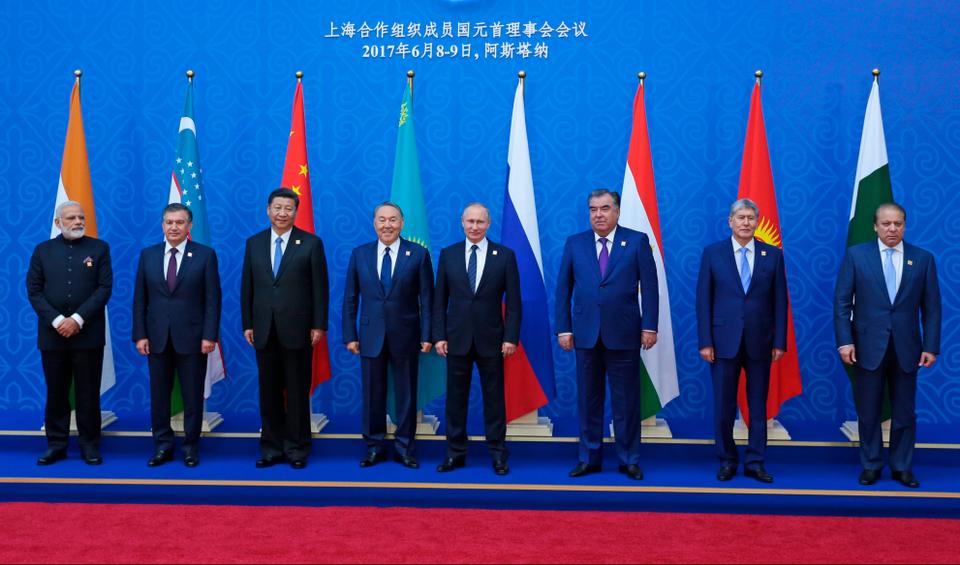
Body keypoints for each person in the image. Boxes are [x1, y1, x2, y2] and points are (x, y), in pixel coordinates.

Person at [834, 202, 941, 489]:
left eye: (898, 224)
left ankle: (902, 467)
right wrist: (845, 341)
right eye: (886, 224)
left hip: (908, 348)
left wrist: (930, 346)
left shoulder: (923, 259)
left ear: (905, 225)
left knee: (905, 411)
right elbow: (842, 303)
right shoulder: (856, 256)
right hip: (867, 346)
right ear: (875, 225)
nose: (892, 229)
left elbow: (932, 308)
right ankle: (871, 465)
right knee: (868, 410)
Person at [555, 189, 658, 481]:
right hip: (585, 335)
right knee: (588, 400)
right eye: (593, 209)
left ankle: (629, 459)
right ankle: (589, 457)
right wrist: (564, 328)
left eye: (604, 208)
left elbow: (650, 288)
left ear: (617, 211)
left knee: (626, 401)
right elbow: (563, 289)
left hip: (624, 334)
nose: (598, 214)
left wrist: (650, 326)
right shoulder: (575, 243)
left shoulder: (636, 241)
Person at [696, 198, 787, 484]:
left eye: (751, 218)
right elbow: (703, 301)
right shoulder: (713, 254)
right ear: (730, 222)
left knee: (757, 406)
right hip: (722, 342)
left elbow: (780, 302)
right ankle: (726, 459)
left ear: (757, 222)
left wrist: (780, 342)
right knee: (724, 406)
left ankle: (755, 461)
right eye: (741, 217)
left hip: (761, 341)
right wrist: (705, 341)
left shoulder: (772, 255)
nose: (746, 222)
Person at [241, 187, 329, 470]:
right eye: (277, 207)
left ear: (295, 211)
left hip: (299, 330)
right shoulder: (253, 243)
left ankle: (297, 448)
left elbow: (320, 289)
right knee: (268, 392)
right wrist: (248, 323)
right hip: (264, 329)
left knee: (297, 390)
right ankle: (271, 447)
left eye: (288, 208)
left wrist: (318, 325)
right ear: (268, 210)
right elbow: (247, 288)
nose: (282, 213)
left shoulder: (311, 244)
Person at [342, 202, 433, 469]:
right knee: (372, 394)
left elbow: (428, 299)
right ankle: (374, 446)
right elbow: (350, 298)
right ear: (374, 223)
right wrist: (350, 334)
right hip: (370, 335)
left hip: (407, 335)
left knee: (406, 394)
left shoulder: (417, 254)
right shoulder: (360, 254)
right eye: (382, 220)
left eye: (393, 220)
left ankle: (405, 447)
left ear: (402, 223)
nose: (387, 225)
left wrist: (427, 334)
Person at [433, 203, 520, 476]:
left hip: (493, 341)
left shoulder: (504, 256)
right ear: (461, 222)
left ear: (488, 224)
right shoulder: (448, 255)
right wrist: (439, 336)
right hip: (456, 339)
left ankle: (497, 454)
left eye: (480, 222)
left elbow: (515, 303)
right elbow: (439, 301)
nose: (474, 227)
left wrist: (510, 338)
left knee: (494, 400)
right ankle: (455, 453)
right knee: (455, 400)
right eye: (469, 221)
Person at [133, 203, 221, 468]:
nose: (174, 227)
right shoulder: (148, 255)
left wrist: (209, 336)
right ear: (162, 225)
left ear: (189, 226)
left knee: (193, 396)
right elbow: (140, 300)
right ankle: (162, 445)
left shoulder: (205, 255)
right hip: (156, 339)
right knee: (159, 396)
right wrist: (140, 335)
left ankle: (191, 446)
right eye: (169, 222)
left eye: (179, 222)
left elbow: (212, 300)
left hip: (194, 340)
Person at [27, 201, 112, 466]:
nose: (77, 222)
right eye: (71, 218)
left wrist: (76, 319)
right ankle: (56, 444)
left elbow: (104, 289)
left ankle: (89, 445)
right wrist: (56, 321)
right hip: (53, 336)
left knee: (88, 393)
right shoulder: (42, 251)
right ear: (58, 223)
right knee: (56, 392)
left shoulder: (99, 249)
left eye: (80, 217)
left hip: (87, 335)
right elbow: (34, 290)